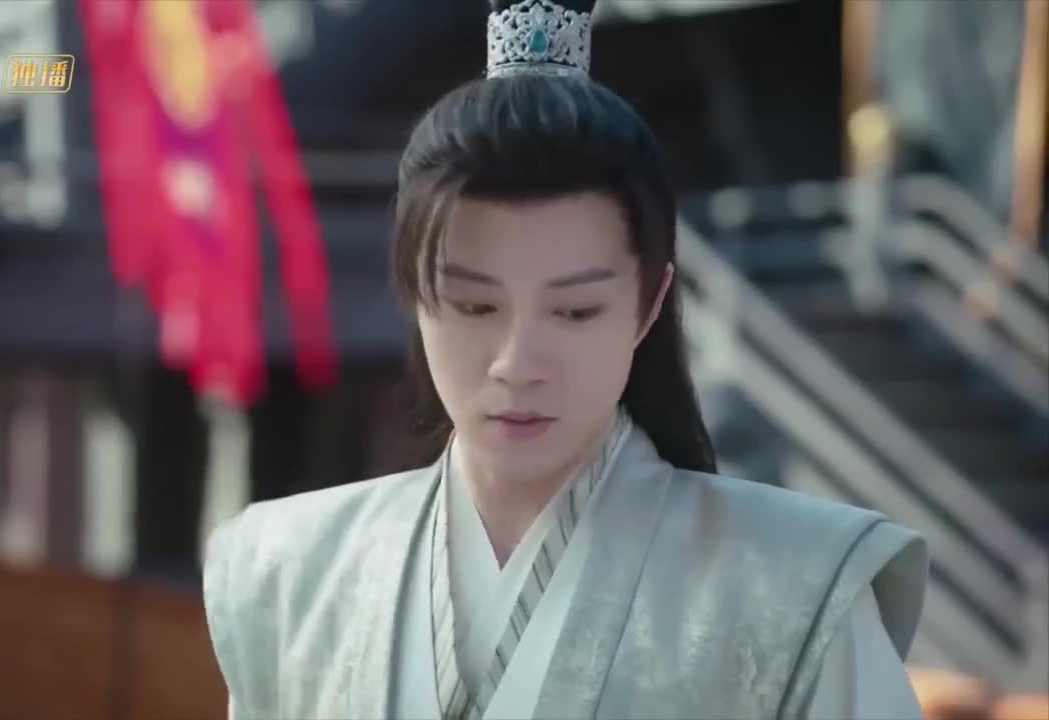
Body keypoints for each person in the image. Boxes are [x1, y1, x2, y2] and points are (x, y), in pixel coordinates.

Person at [202, 0, 929, 717]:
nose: (517, 364)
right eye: (475, 307)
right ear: (415, 295)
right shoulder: (293, 577)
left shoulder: (796, 590)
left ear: (650, 303)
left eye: (576, 312)